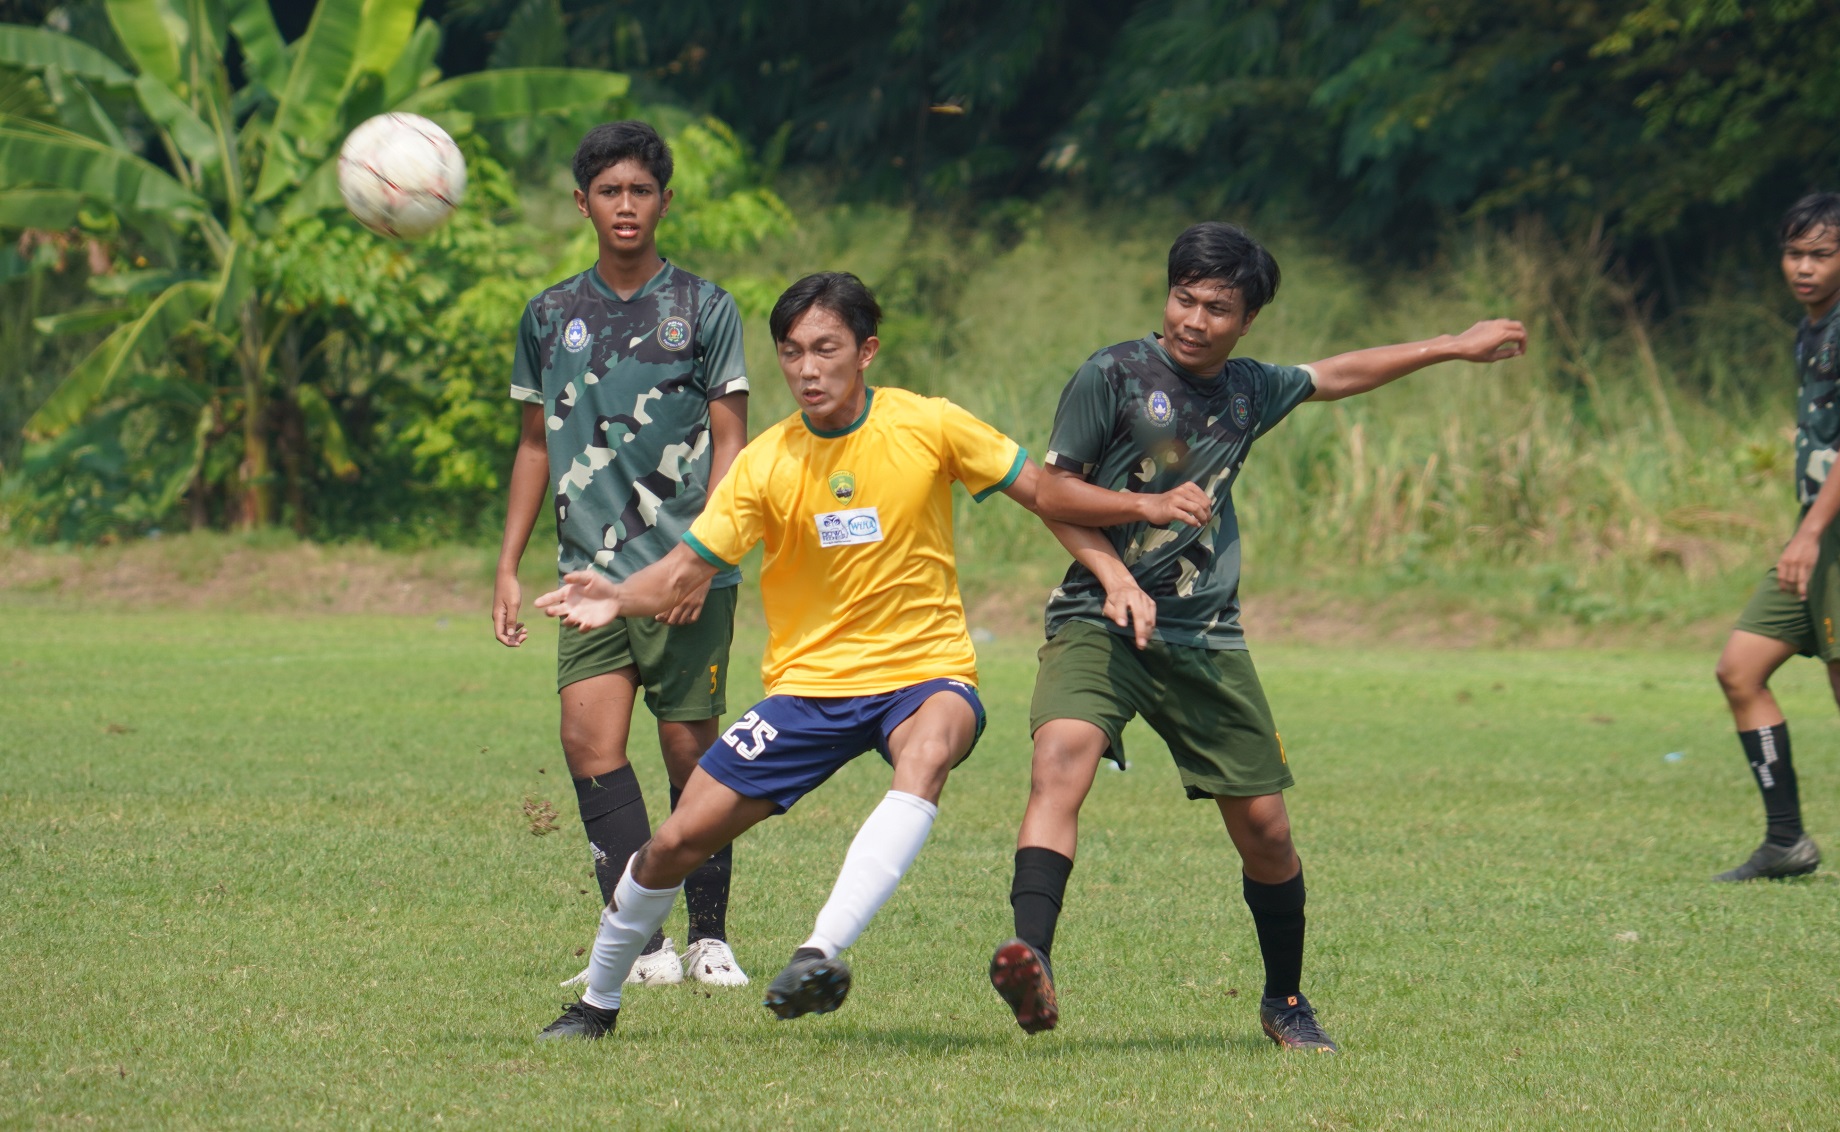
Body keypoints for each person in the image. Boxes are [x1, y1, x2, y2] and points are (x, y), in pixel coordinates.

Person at [532, 272, 1169, 1040]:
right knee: (675, 841)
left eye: (826, 349)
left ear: (865, 351)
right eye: (792, 352)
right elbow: (683, 571)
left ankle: (818, 952)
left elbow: (1044, 494)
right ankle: (597, 1002)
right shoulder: (766, 463)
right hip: (807, 690)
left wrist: (1119, 560)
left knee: (929, 749)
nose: (807, 369)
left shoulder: (929, 425)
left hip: (923, 673)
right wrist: (616, 596)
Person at [990, 221, 1528, 1053]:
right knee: (1061, 757)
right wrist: (1134, 540)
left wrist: (1452, 345)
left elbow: (1340, 373)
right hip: (1100, 616)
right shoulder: (1114, 373)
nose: (1194, 319)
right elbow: (1052, 494)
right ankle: (1033, 959)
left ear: (1246, 322)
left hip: (1206, 635)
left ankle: (1284, 1000)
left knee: (1268, 832)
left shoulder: (1249, 390)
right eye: (1184, 297)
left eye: (1217, 307)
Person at [495, 120, 752, 989]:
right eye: (610, 192)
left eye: (642, 191)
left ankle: (711, 935)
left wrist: (703, 561)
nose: (627, 206)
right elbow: (534, 444)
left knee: (690, 750)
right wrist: (506, 565)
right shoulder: (549, 315)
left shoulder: (704, 309)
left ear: (664, 202)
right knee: (588, 742)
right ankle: (643, 948)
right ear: (583, 203)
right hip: (587, 576)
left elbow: (732, 444)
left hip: (684, 570)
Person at [1712, 193, 1840, 890]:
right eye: (1794, 253)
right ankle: (1786, 843)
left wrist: (1809, 534)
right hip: (1822, 529)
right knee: (1740, 670)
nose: (1804, 267)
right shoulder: (1813, 328)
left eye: (1820, 255)